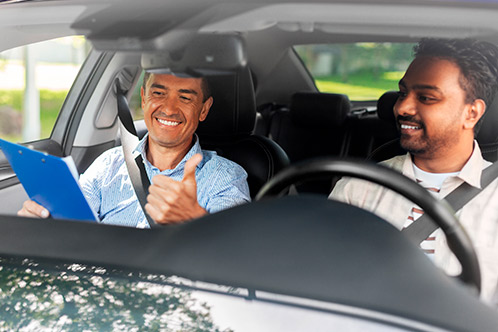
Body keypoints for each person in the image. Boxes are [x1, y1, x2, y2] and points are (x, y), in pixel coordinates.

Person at [330, 38, 498, 305]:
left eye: (426, 98)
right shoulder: (357, 188)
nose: (402, 108)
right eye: (402, 93)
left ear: (472, 113)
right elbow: (323, 279)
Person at [18, 71, 251, 228]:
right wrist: (43, 222)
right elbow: (74, 227)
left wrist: (195, 220)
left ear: (203, 109)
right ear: (144, 98)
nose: (169, 109)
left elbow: (235, 256)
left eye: (185, 98)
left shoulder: (226, 177)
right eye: (158, 94)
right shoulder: (107, 164)